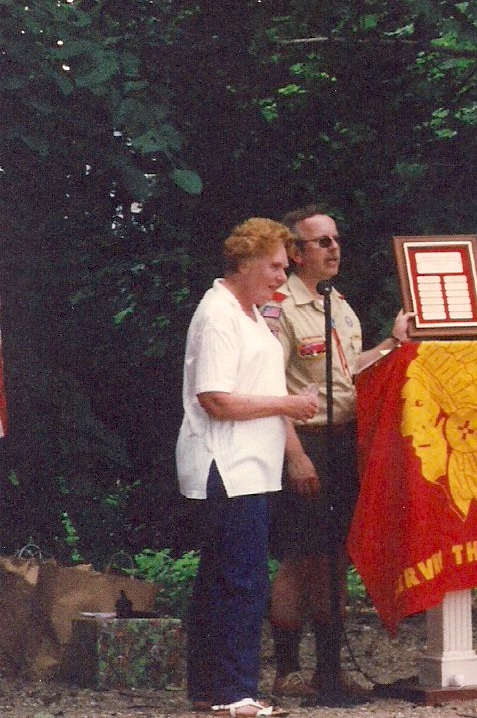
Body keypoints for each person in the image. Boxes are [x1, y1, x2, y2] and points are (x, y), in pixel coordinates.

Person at [262, 206, 411, 702]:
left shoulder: (338, 305)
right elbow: (269, 388)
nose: (333, 249)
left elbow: (348, 377)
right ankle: (287, 670)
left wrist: (391, 342)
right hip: (305, 443)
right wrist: (296, 457)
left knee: (332, 558)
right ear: (296, 253)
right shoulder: (281, 308)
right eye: (320, 242)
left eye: (335, 239)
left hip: (343, 440)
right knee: (300, 558)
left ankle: (329, 672)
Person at [176, 217, 318, 717]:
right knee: (241, 580)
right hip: (226, 464)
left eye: (285, 267)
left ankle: (209, 690)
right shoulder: (218, 314)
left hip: (251, 466)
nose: (283, 275)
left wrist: (286, 426)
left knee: (222, 578)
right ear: (247, 261)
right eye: (276, 266)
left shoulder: (253, 314)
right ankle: (236, 691)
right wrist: (285, 405)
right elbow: (215, 398)